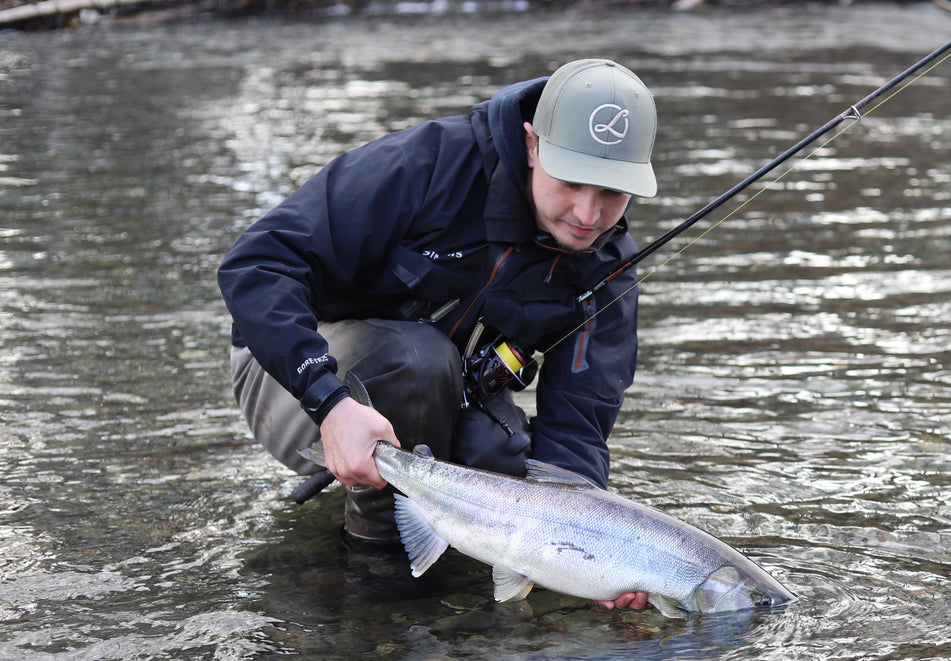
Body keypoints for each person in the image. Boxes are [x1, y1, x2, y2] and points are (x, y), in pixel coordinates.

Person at [218, 58, 656, 611]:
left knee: (498, 451)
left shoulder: (607, 264)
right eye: (570, 182)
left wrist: (587, 560)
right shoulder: (424, 165)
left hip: (436, 397)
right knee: (416, 360)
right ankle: (378, 573)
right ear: (530, 146)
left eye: (612, 193)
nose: (588, 215)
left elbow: (576, 432)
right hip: (288, 379)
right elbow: (255, 265)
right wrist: (330, 404)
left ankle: (449, 576)